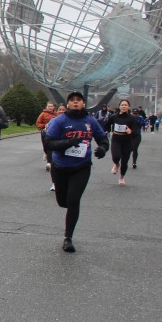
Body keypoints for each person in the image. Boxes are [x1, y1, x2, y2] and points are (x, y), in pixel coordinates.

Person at [45, 90, 109, 253]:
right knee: (63, 202)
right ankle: (68, 210)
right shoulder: (60, 121)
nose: (75, 102)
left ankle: (68, 238)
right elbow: (49, 143)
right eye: (72, 100)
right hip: (60, 167)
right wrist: (68, 142)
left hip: (81, 167)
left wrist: (102, 148)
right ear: (67, 104)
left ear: (83, 103)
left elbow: (103, 139)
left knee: (73, 200)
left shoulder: (90, 121)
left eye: (78, 100)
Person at [36, 101, 57, 173]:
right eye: (49, 106)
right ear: (46, 107)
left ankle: (49, 163)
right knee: (45, 147)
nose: (50, 107)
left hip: (54, 134)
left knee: (50, 147)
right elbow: (38, 123)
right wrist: (44, 126)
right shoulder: (43, 114)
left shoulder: (56, 115)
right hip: (45, 133)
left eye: (51, 106)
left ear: (53, 107)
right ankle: (46, 153)